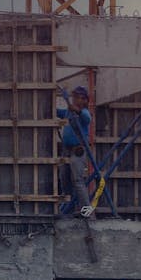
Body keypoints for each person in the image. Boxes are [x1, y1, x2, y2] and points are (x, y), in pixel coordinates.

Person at [57, 86, 95, 218]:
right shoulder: (69, 111)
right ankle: (69, 208)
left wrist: (77, 110)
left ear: (84, 100)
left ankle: (87, 212)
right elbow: (59, 112)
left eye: (77, 97)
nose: (74, 100)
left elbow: (87, 118)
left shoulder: (84, 112)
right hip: (66, 150)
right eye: (73, 97)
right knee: (64, 179)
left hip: (77, 150)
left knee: (78, 181)